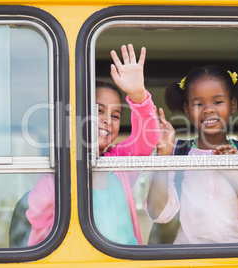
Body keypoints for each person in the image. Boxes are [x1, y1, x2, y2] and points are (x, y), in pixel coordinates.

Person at [19, 44, 160, 246]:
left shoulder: (121, 162)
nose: (107, 120)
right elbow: (38, 230)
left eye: (115, 116)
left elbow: (149, 138)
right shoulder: (55, 176)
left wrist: (138, 94)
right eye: (99, 111)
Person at [146, 65, 238, 244]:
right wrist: (163, 159)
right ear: (187, 110)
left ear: (233, 105)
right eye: (198, 104)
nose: (208, 109)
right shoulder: (175, 151)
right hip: (184, 258)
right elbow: (157, 213)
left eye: (217, 102)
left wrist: (235, 177)